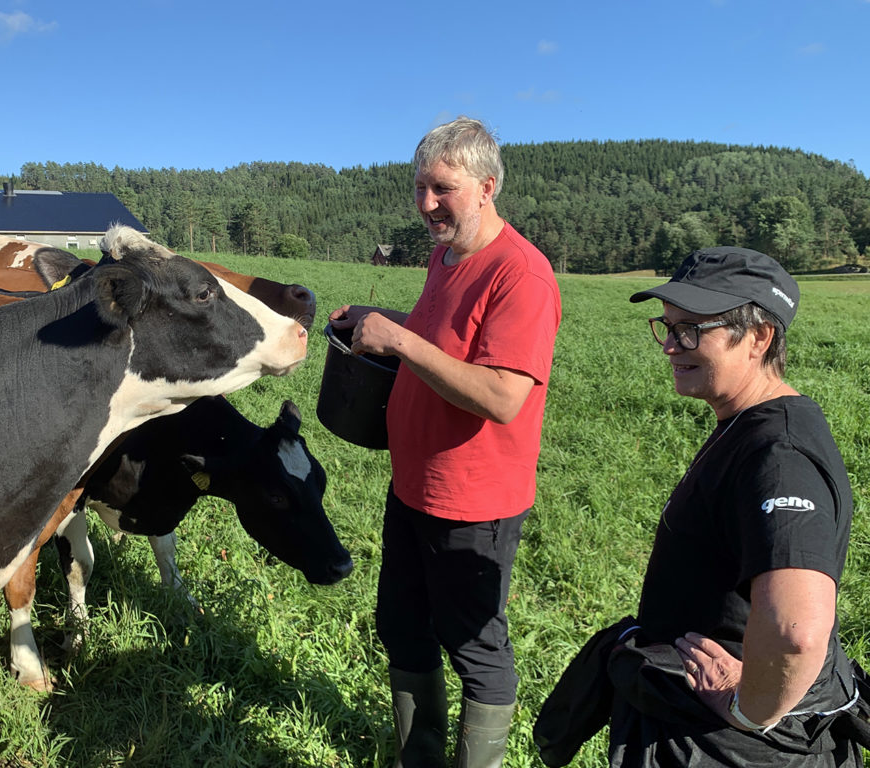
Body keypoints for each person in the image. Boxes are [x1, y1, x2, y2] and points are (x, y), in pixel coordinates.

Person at [538, 247, 863, 768]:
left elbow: (796, 631)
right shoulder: (746, 424)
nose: (670, 346)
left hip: (728, 745)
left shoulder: (780, 457)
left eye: (691, 330)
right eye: (666, 327)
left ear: (760, 337)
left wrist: (749, 709)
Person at [329, 116, 561, 767]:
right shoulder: (446, 256)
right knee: (402, 628)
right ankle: (419, 758)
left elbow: (500, 395)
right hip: (414, 487)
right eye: (419, 187)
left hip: (474, 503)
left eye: (443, 189)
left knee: (476, 651)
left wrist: (399, 342)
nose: (427, 203)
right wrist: (385, 321)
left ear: (487, 186)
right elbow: (445, 338)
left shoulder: (522, 275)